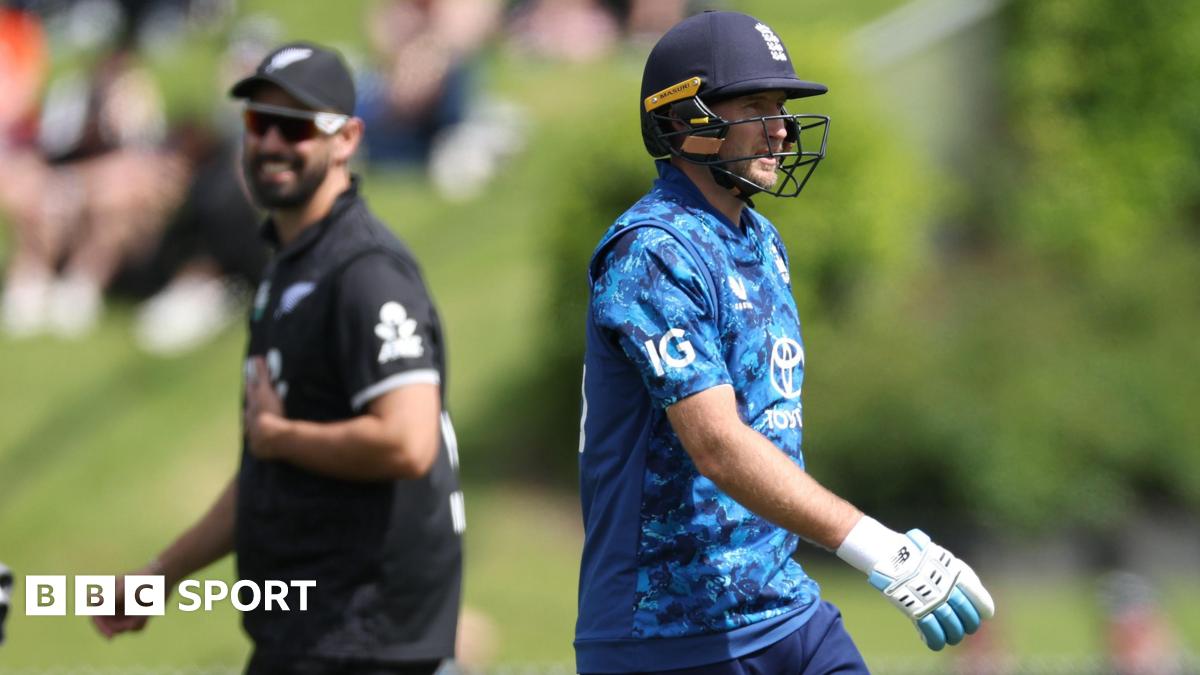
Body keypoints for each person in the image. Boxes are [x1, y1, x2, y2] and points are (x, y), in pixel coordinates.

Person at [575, 11, 995, 673]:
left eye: (782, 107)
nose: (781, 127)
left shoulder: (762, 243)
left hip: (785, 609)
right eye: (756, 105)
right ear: (685, 120)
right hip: (669, 636)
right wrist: (878, 546)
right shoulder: (652, 251)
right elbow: (716, 444)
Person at [93, 42, 465, 675]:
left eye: (295, 125)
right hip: (305, 638)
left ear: (346, 139)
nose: (269, 143)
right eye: (257, 122)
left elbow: (407, 441)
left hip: (365, 642)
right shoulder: (287, 274)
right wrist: (161, 575)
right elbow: (270, 471)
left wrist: (282, 437)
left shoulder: (366, 273)